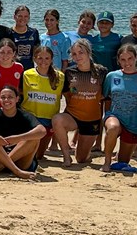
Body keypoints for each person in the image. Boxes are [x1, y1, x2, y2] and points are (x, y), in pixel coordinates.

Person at [52, 39, 107, 167]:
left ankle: (86, 154)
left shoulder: (102, 72)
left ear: (88, 52)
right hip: (73, 116)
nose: (77, 56)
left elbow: (105, 96)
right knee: (57, 119)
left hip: (91, 120)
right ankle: (66, 156)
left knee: (81, 159)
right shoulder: (70, 73)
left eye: (80, 52)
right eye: (74, 54)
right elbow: (66, 95)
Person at [0, 85, 45, 179]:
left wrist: (18, 138)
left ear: (17, 99)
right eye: (3, 97)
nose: (6, 100)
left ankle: (1, 167)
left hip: (20, 162)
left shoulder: (24, 115)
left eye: (10, 97)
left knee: (32, 137)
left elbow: (42, 131)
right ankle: (17, 172)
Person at [21, 45, 65, 159]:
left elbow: (67, 97)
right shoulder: (27, 74)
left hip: (48, 119)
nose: (43, 61)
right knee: (28, 154)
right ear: (34, 59)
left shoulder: (60, 76)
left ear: (51, 59)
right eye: (40, 58)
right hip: (30, 119)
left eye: (47, 58)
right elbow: (19, 94)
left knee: (38, 156)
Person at [101, 44, 137, 172]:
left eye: (130, 58)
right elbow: (106, 97)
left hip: (133, 124)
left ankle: (119, 156)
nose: (127, 62)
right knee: (113, 127)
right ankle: (107, 161)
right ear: (118, 60)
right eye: (123, 59)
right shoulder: (112, 76)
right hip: (115, 116)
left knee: (122, 162)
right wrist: (106, 116)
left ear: (135, 58)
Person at [11, 5, 40, 70]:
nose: (23, 19)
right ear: (14, 17)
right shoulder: (9, 32)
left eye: (26, 16)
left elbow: (36, 52)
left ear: (29, 18)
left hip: (29, 69)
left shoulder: (34, 32)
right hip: (13, 69)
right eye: (20, 16)